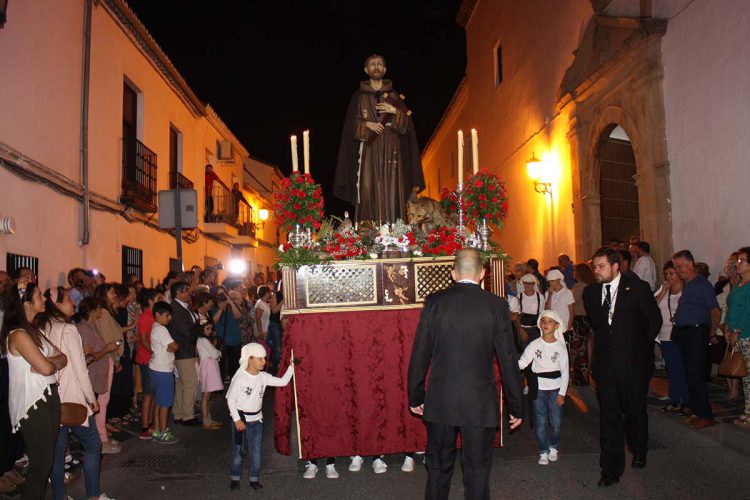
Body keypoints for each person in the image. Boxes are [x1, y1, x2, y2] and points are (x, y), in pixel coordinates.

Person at [408, 249, 523, 500]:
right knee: (478, 470)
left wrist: (415, 396)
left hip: (441, 399)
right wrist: (516, 405)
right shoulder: (496, 304)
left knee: (437, 467)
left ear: (452, 273)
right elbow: (508, 359)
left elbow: (420, 353)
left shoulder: (435, 302)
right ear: (483, 273)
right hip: (480, 402)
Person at [583, 247, 661, 487]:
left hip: (633, 366)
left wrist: (638, 350)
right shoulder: (591, 293)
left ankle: (639, 451)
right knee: (609, 419)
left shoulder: (637, 289)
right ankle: (610, 470)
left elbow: (654, 322)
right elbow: (599, 326)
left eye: (601, 266)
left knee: (635, 412)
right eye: (594, 266)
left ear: (616, 266)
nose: (596, 271)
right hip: (606, 367)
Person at [39, 288, 113, 500]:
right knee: (93, 445)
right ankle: (93, 496)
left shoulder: (41, 327)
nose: (73, 304)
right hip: (72, 397)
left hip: (53, 398)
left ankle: (60, 496)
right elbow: (80, 368)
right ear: (58, 305)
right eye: (68, 300)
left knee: (57, 451)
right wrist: (91, 399)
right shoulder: (68, 330)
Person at [334, 54, 425, 223]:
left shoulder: (395, 96)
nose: (376, 67)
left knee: (392, 188)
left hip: (392, 149)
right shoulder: (359, 97)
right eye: (372, 64)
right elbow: (348, 128)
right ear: (366, 70)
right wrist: (366, 124)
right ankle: (367, 231)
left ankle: (394, 229)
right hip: (369, 149)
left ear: (384, 69)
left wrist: (394, 111)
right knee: (367, 187)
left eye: (380, 64)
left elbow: (407, 126)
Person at [1, 282, 67, 500]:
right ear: (26, 303)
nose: (45, 299)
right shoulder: (18, 335)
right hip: (34, 404)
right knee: (41, 466)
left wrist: (47, 362)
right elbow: (49, 366)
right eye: (40, 295)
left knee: (44, 463)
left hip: (49, 396)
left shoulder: (34, 331)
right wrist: (49, 363)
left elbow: (61, 358)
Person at [226, 343, 294, 491]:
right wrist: (237, 419)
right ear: (250, 359)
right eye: (260, 358)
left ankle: (254, 478)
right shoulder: (241, 378)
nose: (264, 361)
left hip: (257, 422)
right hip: (241, 421)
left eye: (264, 358)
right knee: (238, 451)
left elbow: (282, 382)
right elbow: (231, 399)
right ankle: (235, 477)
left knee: (256, 452)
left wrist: (292, 367)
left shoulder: (263, 377)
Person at [671, 250, 721, 429]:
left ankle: (706, 415)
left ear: (691, 264)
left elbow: (715, 311)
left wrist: (712, 333)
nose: (678, 271)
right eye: (676, 267)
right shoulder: (689, 285)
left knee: (695, 374)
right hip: (686, 334)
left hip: (696, 334)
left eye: (680, 267)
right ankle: (698, 411)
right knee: (689, 374)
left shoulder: (701, 284)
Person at [518, 310, 569, 466]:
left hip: (555, 388)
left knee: (556, 422)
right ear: (540, 324)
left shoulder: (560, 347)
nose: (546, 324)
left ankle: (553, 446)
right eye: (543, 321)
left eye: (550, 321)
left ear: (556, 325)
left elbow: (565, 371)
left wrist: (562, 393)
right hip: (538, 388)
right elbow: (522, 362)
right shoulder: (535, 345)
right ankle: (543, 451)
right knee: (540, 422)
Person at [93, 284, 124, 453]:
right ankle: (101, 438)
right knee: (103, 400)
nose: (115, 295)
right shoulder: (104, 313)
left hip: (108, 358)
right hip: (107, 358)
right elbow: (107, 339)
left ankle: (102, 435)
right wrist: (116, 358)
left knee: (103, 399)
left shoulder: (107, 313)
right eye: (111, 292)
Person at [654, 261, 688, 413]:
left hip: (681, 334)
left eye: (671, 274)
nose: (668, 277)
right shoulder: (664, 289)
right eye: (666, 274)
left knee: (683, 368)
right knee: (672, 368)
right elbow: (652, 307)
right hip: (665, 334)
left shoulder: (686, 290)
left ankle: (687, 400)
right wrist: (663, 292)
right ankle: (674, 398)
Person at [724, 247, 750, 427]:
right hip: (734, 335)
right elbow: (731, 307)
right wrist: (726, 327)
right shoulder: (738, 283)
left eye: (741, 261)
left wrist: (737, 331)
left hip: (746, 335)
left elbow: (748, 312)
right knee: (744, 376)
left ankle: (749, 414)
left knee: (748, 378)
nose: (737, 264)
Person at [168, 282, 200, 426]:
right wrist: (200, 330)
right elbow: (186, 331)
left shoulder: (183, 307)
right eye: (186, 291)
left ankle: (179, 412)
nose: (189, 293)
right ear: (178, 293)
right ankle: (188, 415)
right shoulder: (175, 309)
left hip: (186, 349)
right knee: (190, 383)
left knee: (182, 383)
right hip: (184, 350)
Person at [149, 301, 179, 444]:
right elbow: (174, 346)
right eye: (167, 315)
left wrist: (170, 348)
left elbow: (169, 347)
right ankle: (163, 432)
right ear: (158, 314)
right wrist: (174, 347)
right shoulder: (161, 329)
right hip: (163, 370)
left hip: (156, 367)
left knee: (159, 402)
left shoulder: (155, 328)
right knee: (165, 403)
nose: (169, 318)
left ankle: (156, 430)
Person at [135, 289, 160, 439]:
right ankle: (145, 426)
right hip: (147, 359)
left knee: (153, 393)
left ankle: (150, 423)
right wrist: (155, 353)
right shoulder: (145, 317)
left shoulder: (152, 316)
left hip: (152, 359)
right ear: (150, 300)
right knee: (148, 394)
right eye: (157, 298)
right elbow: (144, 340)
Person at [570, 263, 595, 385]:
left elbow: (571, 301)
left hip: (579, 319)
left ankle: (581, 377)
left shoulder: (581, 286)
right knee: (581, 348)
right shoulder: (578, 285)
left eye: (575, 270)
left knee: (579, 349)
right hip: (580, 319)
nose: (573, 272)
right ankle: (580, 376)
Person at [197, 319, 223, 430]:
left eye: (211, 329)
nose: (210, 331)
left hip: (209, 368)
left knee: (208, 396)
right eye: (207, 328)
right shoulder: (202, 340)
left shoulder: (204, 340)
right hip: (208, 368)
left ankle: (209, 419)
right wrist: (219, 352)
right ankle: (206, 421)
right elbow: (215, 354)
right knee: (206, 396)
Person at [213, 289, 243, 381]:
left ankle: (234, 385)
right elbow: (213, 321)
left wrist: (229, 302)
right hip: (221, 341)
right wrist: (221, 309)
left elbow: (238, 316)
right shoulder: (214, 307)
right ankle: (220, 387)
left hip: (234, 340)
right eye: (219, 295)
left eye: (223, 295)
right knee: (220, 365)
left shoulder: (234, 306)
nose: (222, 297)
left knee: (234, 365)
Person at [544, 269, 575, 333]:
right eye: (549, 281)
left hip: (564, 327)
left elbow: (571, 313)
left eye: (552, 281)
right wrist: (550, 295)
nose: (550, 283)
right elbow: (547, 310)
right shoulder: (547, 293)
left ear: (559, 280)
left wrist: (568, 329)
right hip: (552, 327)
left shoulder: (567, 292)